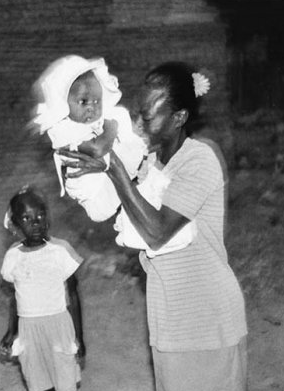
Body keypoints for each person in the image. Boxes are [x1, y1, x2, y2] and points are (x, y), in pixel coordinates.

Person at [60, 62, 248, 391]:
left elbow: (157, 231)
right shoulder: (150, 162)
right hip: (169, 321)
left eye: (149, 117)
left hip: (206, 322)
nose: (140, 123)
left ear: (179, 117)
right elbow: (113, 205)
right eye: (139, 114)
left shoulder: (200, 160)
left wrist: (113, 168)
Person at [33, 54, 196, 257]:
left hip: (108, 188)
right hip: (93, 195)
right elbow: (98, 149)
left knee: (134, 153)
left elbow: (117, 156)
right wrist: (112, 128)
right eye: (83, 102)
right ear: (64, 105)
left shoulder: (195, 160)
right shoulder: (63, 129)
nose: (92, 107)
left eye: (96, 100)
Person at [0, 186, 87, 391]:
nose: (35, 222)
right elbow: (16, 298)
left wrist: (79, 337)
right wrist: (11, 331)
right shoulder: (13, 257)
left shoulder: (60, 251)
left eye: (39, 215)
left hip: (58, 328)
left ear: (47, 218)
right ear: (16, 224)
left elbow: (74, 296)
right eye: (26, 218)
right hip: (29, 332)